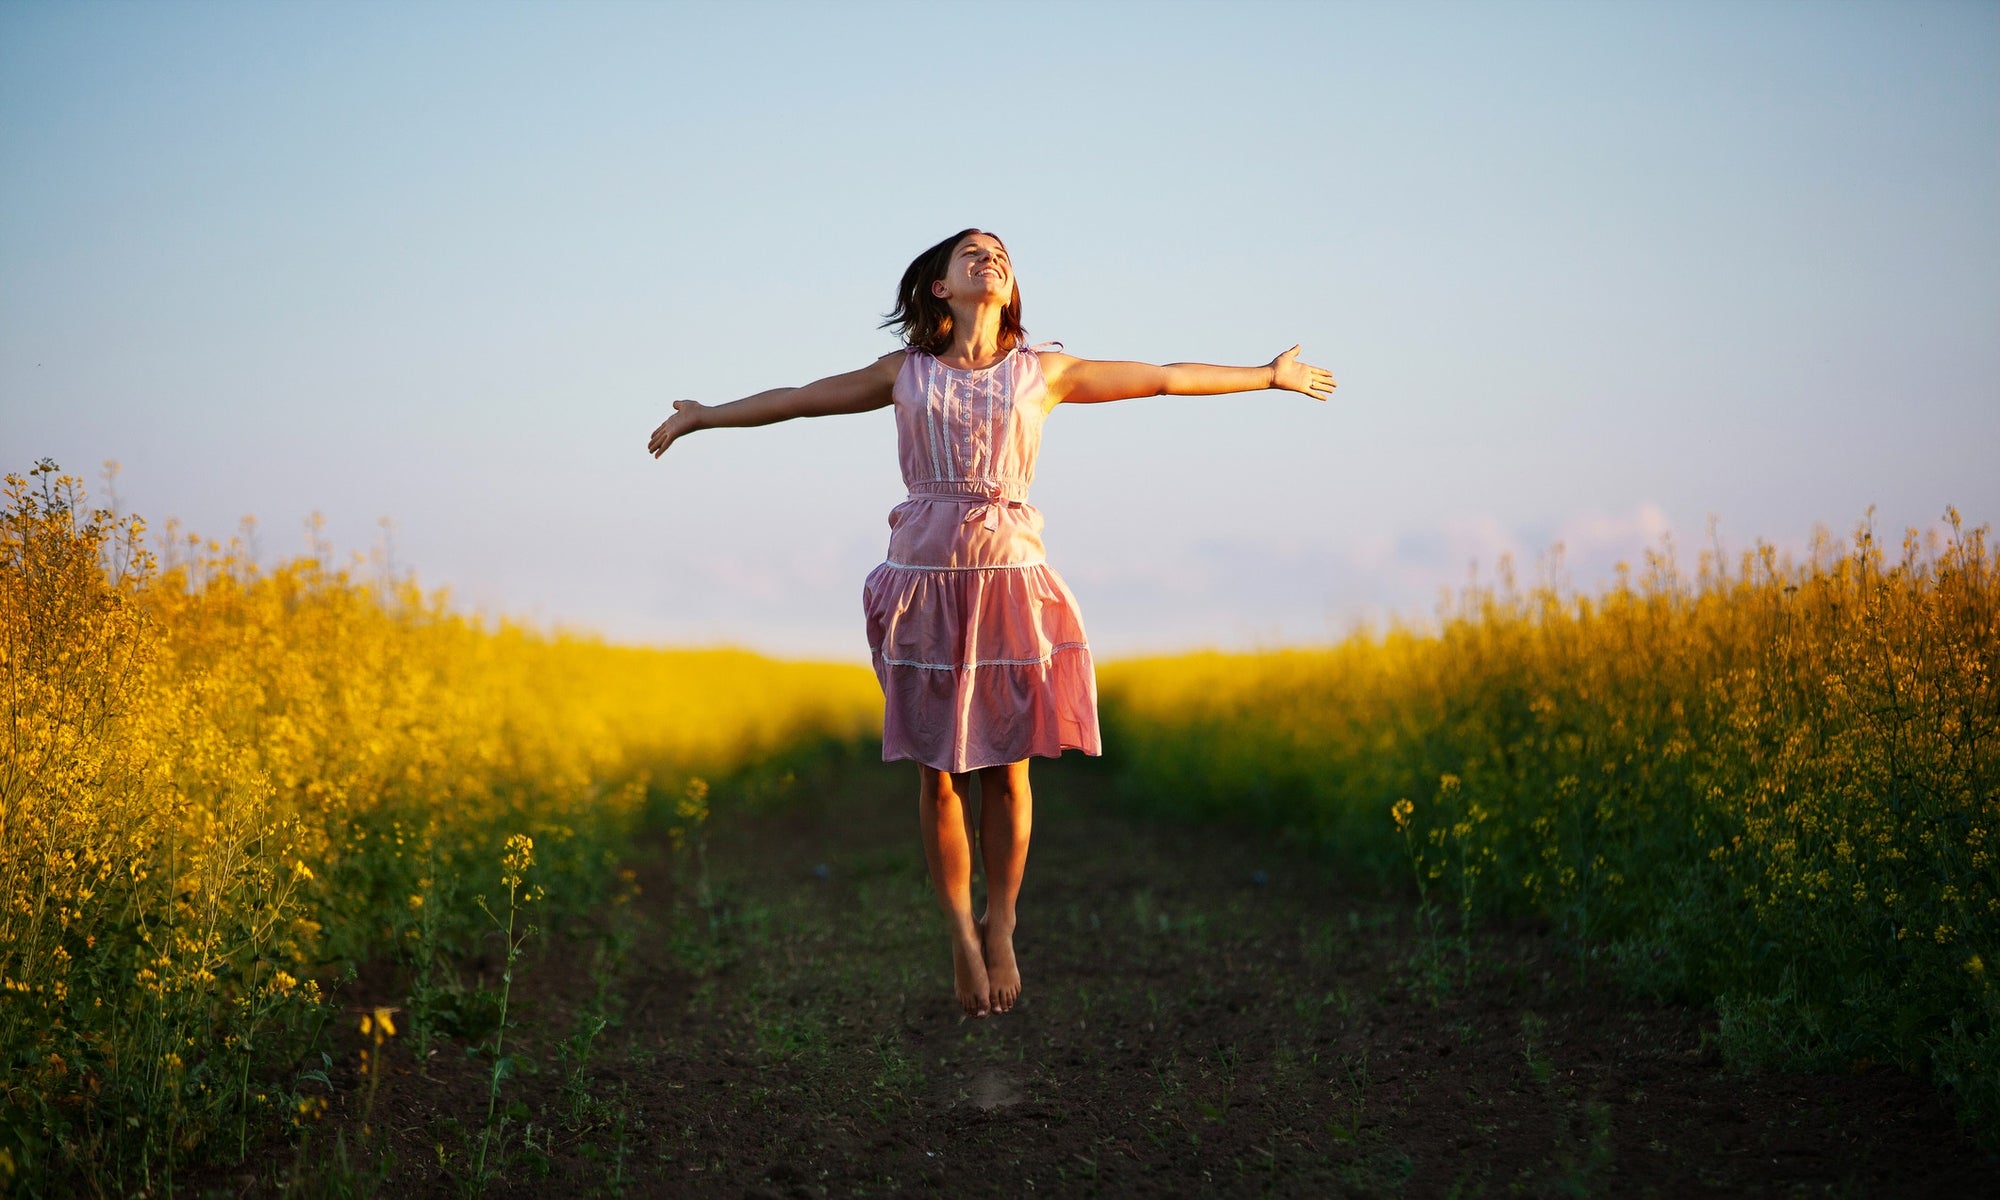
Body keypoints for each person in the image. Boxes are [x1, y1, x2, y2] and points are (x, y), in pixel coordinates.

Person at [648, 229, 1335, 1017]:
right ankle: (958, 933)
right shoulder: (902, 374)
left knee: (1010, 767)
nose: (991, 260)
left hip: (1010, 583)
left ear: (1010, 291)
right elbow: (801, 398)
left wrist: (1268, 377)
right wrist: (704, 415)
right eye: (972, 253)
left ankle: (1001, 921)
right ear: (938, 286)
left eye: (1001, 256)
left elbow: (1165, 378)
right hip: (922, 586)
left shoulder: (1043, 372)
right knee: (939, 778)